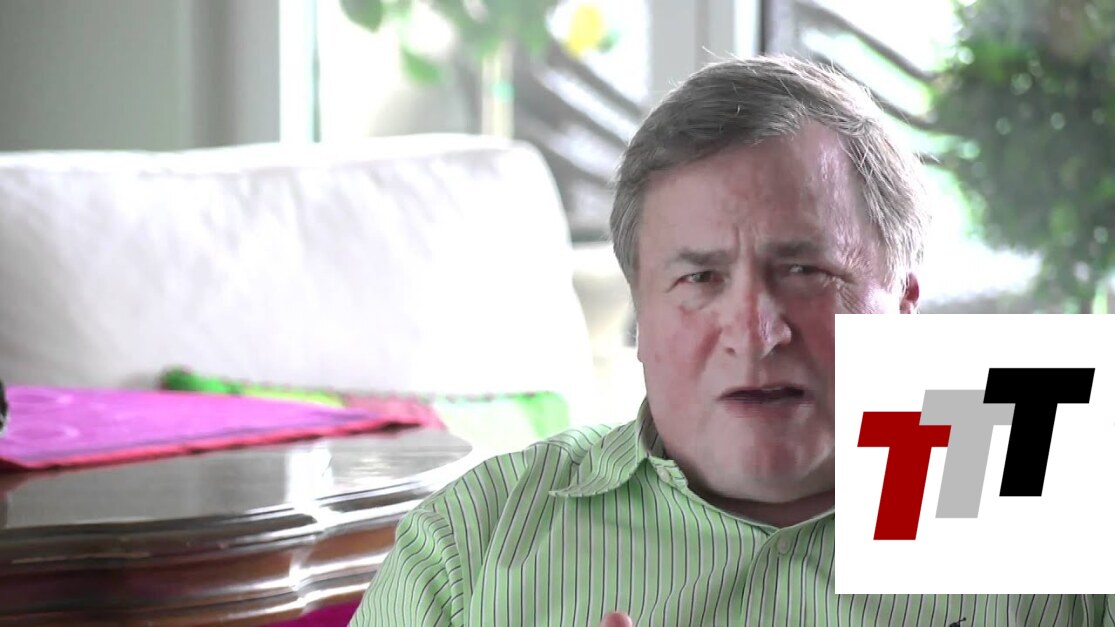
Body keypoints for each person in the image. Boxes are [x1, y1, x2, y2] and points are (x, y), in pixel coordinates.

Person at [349, 55, 1114, 626]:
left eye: (805, 270)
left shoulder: (1060, 496)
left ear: (904, 304)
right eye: (699, 278)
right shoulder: (473, 539)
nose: (754, 331)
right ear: (640, 318)